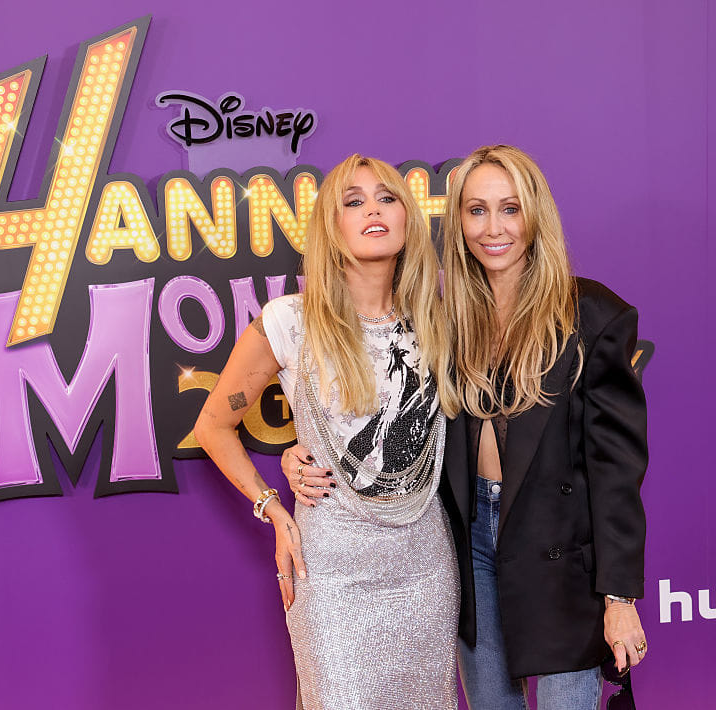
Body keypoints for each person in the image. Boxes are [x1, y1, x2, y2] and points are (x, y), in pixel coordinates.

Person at [285, 145, 649, 710]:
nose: (493, 228)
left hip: (561, 555)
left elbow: (616, 472)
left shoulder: (591, 315)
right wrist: (298, 451)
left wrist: (620, 598)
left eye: (510, 209)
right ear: (457, 221)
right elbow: (384, 412)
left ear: (536, 214)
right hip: (470, 545)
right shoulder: (443, 318)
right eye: (477, 210)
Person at [193, 154, 460, 709]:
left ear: (407, 217)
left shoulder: (440, 321)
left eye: (386, 198)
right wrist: (271, 507)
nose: (373, 210)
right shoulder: (291, 321)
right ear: (330, 228)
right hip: (331, 568)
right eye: (353, 202)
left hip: (425, 564)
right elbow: (213, 426)